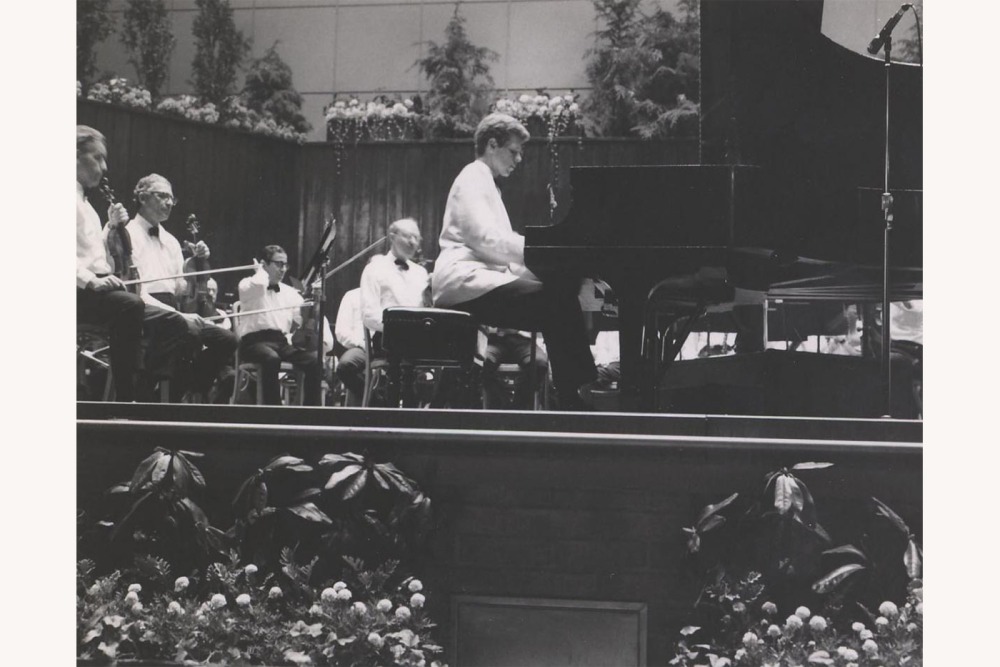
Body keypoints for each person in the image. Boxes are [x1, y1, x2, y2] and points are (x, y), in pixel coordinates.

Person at [431, 113, 598, 410]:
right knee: (558, 302)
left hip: (478, 279)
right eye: (514, 151)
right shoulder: (473, 175)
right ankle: (577, 398)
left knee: (559, 298)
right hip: (464, 280)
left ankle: (577, 394)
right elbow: (485, 239)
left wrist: (547, 271)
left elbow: (501, 258)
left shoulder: (486, 183)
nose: (519, 159)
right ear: (492, 144)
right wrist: (543, 251)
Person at [120, 174, 238, 401]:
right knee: (188, 331)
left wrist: (199, 271)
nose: (168, 203)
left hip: (172, 308)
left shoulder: (172, 241)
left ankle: (178, 392)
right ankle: (159, 394)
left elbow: (179, 288)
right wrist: (179, 315)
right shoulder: (128, 234)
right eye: (162, 196)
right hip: (143, 306)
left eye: (171, 199)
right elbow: (137, 291)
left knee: (227, 339)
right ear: (142, 197)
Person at [76, 125, 144, 401]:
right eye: (98, 158)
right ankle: (126, 398)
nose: (104, 167)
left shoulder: (85, 204)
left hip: (92, 290)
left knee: (154, 315)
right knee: (131, 306)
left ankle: (139, 392)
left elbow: (92, 254)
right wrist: (91, 281)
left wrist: (110, 226)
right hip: (78, 292)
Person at [236, 245, 322, 405]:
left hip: (280, 342)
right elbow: (260, 284)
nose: (283, 269)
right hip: (253, 342)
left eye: (285, 264)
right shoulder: (247, 284)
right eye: (278, 264)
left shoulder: (290, 292)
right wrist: (260, 271)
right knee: (271, 358)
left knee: (313, 362)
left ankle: (311, 413)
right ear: (264, 264)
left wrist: (314, 301)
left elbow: (302, 319)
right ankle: (275, 412)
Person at [481, 328, 548, 409]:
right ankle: (502, 405)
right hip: (494, 341)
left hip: (523, 341)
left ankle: (519, 406)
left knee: (539, 364)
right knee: (481, 363)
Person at [334, 287, 366, 405]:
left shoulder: (393, 294)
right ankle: (376, 401)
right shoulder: (352, 295)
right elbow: (341, 331)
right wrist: (362, 344)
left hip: (391, 348)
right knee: (345, 366)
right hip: (361, 347)